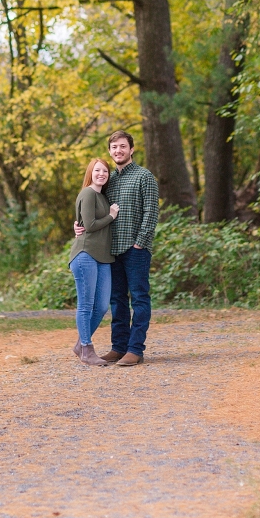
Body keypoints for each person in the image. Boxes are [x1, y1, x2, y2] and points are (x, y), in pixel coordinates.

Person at [74, 130, 159, 367]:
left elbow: (151, 212)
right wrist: (78, 224)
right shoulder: (108, 179)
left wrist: (140, 242)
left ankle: (135, 349)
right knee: (117, 300)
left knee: (139, 298)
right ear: (110, 151)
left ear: (131, 149)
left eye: (122, 146)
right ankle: (119, 347)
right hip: (110, 251)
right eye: (114, 147)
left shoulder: (144, 177)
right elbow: (92, 208)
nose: (118, 151)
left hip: (136, 249)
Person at [68, 157, 119, 366]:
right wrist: (111, 216)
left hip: (103, 256)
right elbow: (88, 225)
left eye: (105, 171)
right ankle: (87, 350)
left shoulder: (102, 197)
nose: (101, 174)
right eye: (97, 170)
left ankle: (80, 344)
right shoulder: (88, 193)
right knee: (86, 304)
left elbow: (84, 222)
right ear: (90, 172)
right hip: (85, 254)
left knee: (101, 305)